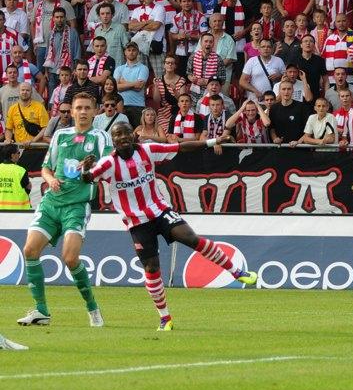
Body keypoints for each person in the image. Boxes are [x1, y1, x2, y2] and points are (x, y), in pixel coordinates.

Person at [82, 122, 257, 331]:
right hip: (137, 223)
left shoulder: (148, 150)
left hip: (160, 211)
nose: (122, 138)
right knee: (152, 268)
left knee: (191, 238)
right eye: (117, 135)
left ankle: (236, 272)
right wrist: (85, 168)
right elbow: (88, 178)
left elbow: (181, 147)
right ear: (113, 140)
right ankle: (165, 318)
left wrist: (212, 141)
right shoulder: (108, 163)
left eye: (125, 133)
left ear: (134, 135)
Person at [18, 92, 111, 328]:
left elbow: (109, 166)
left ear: (94, 111)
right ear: (71, 112)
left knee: (70, 258)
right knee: (29, 249)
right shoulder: (60, 135)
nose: (82, 112)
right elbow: (47, 167)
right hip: (52, 202)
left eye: (87, 108)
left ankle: (92, 307)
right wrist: (49, 180)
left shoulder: (100, 137)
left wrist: (92, 167)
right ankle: (41, 311)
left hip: (77, 205)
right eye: (78, 108)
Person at [114, 42, 150, 128]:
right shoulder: (119, 69)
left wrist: (123, 82)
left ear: (137, 52)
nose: (131, 52)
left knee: (137, 135)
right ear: (125, 52)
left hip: (138, 106)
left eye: (134, 50)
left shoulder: (143, 68)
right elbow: (116, 88)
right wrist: (134, 83)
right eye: (129, 50)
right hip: (121, 106)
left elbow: (139, 87)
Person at [187, 33, 225, 104]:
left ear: (213, 44)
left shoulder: (218, 59)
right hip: (195, 94)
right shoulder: (193, 57)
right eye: (206, 41)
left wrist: (207, 81)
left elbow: (222, 80)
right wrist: (191, 78)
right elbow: (188, 72)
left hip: (212, 95)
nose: (208, 44)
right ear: (201, 43)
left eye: (211, 42)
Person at [269, 79, 310, 143]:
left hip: (299, 148)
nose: (286, 92)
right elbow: (272, 128)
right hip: (280, 147)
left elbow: (308, 130)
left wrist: (298, 142)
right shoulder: (274, 108)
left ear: (293, 90)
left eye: (289, 89)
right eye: (283, 89)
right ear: (279, 91)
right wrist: (275, 138)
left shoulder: (302, 107)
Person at [93, 3, 130, 68]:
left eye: (108, 13)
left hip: (117, 68)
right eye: (102, 14)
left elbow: (127, 48)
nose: (105, 16)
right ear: (99, 16)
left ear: (112, 15)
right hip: (102, 68)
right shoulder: (97, 31)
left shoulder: (120, 28)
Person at [0, 142, 30, 210]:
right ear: (13, 155)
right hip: (18, 210)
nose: (19, 155)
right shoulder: (20, 170)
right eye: (18, 153)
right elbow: (28, 187)